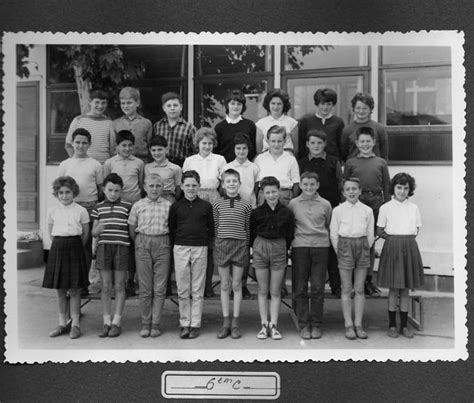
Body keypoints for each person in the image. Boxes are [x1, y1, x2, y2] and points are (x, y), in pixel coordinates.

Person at [376, 173, 425, 338]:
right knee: (393, 289)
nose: (402, 191)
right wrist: (393, 241)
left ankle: (404, 325)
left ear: (409, 190)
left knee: (405, 290)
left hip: (409, 247)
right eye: (399, 187)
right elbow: (380, 230)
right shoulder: (385, 207)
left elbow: (416, 229)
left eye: (406, 188)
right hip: (392, 247)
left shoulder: (414, 208)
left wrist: (405, 241)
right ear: (393, 188)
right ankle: (391, 325)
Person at [344, 126, 391, 295]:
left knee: (369, 243)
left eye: (368, 142)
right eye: (362, 141)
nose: (365, 145)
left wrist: (387, 207)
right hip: (357, 202)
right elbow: (346, 185)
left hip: (376, 203)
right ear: (356, 143)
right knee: (354, 240)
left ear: (374, 142)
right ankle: (353, 281)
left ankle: (368, 280)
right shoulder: (351, 163)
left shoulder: (381, 163)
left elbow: (386, 185)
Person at [169, 170, 214, 339]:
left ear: (199, 186)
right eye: (187, 185)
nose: (190, 188)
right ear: (182, 186)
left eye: (194, 185)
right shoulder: (176, 206)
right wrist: (178, 244)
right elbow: (172, 228)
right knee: (183, 288)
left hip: (200, 247)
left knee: (197, 288)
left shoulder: (206, 206)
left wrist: (205, 244)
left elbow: (211, 228)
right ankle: (184, 323)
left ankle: (195, 323)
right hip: (180, 247)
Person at [43, 176, 89, 339]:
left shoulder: (81, 210)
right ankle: (62, 323)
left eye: (67, 192)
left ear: (74, 192)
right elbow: (50, 234)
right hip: (58, 248)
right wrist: (60, 246)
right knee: (60, 290)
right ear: (56, 194)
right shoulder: (52, 210)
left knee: (75, 289)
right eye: (60, 192)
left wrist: (74, 245)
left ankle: (75, 325)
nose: (64, 195)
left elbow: (85, 235)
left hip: (75, 247)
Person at [57, 128, 103, 294]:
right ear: (72, 143)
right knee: (72, 244)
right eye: (77, 142)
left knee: (86, 246)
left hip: (90, 207)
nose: (81, 145)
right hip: (71, 208)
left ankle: (83, 284)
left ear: (89, 144)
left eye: (84, 143)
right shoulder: (65, 164)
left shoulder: (95, 164)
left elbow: (100, 189)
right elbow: (58, 189)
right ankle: (71, 283)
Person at [298, 129, 342, 297]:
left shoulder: (333, 162)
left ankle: (336, 284)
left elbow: (340, 184)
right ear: (307, 144)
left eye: (319, 143)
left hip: (330, 208)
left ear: (324, 144)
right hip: (308, 210)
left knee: (331, 245)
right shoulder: (301, 163)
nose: (316, 146)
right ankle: (307, 287)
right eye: (312, 143)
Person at [182, 127, 226, 298]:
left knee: (210, 242)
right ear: (197, 144)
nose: (206, 146)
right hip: (195, 196)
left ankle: (207, 285)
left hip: (214, 197)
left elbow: (222, 184)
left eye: (209, 143)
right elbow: (186, 182)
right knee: (195, 239)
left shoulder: (220, 159)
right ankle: (193, 286)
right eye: (203, 143)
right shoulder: (190, 160)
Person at [250, 176, 295, 340]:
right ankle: (264, 324)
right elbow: (252, 233)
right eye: (267, 192)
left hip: (279, 247)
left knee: (275, 290)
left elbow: (290, 234)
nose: (271, 195)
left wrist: (283, 247)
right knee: (262, 289)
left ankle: (274, 325)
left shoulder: (287, 212)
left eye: (274, 191)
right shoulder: (256, 213)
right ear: (262, 193)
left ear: (279, 191)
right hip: (260, 246)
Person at [289, 172, 332, 339]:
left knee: (317, 287)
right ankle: (303, 324)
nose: (309, 187)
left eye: (312, 184)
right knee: (300, 287)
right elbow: (291, 225)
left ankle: (316, 324)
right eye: (305, 184)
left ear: (318, 185)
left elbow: (327, 224)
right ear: (300, 185)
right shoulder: (293, 203)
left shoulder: (325, 204)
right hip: (300, 247)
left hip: (320, 247)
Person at [330, 178, 374, 340]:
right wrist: (340, 250)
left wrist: (365, 248)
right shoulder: (338, 210)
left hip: (362, 245)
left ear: (360, 190)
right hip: (344, 246)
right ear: (343, 192)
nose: (351, 192)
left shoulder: (367, 210)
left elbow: (370, 233)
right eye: (348, 189)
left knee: (360, 288)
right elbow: (334, 233)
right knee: (347, 288)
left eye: (354, 188)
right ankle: (348, 324)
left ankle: (358, 324)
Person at [128, 174, 172, 338]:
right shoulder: (138, 205)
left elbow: (172, 227)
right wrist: (140, 242)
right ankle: (145, 323)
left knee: (160, 288)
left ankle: (156, 323)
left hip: (163, 243)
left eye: (158, 186)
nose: (154, 189)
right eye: (151, 186)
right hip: (143, 243)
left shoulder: (168, 205)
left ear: (162, 188)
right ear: (145, 187)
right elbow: (132, 229)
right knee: (145, 288)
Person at [103, 129, 144, 297]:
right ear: (117, 146)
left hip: (133, 207)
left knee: (133, 243)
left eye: (129, 145)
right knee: (117, 244)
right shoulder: (109, 163)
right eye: (123, 145)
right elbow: (105, 185)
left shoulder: (139, 163)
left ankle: (131, 281)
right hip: (116, 207)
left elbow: (141, 185)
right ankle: (114, 282)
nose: (127, 149)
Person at [212, 169, 252, 339]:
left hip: (240, 245)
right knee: (225, 284)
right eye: (228, 181)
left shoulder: (246, 204)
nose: (231, 184)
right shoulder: (217, 204)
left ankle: (235, 322)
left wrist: (246, 245)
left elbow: (247, 227)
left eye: (234, 181)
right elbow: (215, 225)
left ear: (239, 183)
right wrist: (218, 242)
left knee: (236, 285)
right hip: (222, 245)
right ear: (223, 184)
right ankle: (225, 321)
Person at [91, 173, 132, 338]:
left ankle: (117, 322)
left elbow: (131, 231)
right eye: (110, 190)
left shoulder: (128, 207)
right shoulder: (98, 207)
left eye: (117, 190)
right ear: (103, 189)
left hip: (122, 248)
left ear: (121, 190)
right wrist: (98, 230)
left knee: (120, 285)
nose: (113, 193)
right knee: (106, 285)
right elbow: (94, 232)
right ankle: (106, 321)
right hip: (104, 248)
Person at [222, 132, 260, 299]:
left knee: (244, 248)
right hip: (231, 210)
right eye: (238, 148)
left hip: (248, 209)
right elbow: (222, 188)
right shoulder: (227, 167)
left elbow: (257, 189)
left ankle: (242, 284)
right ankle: (230, 285)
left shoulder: (254, 167)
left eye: (244, 148)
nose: (241, 151)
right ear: (234, 149)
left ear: (248, 150)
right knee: (230, 246)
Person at [65, 88, 114, 164]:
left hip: (103, 166)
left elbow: (112, 148)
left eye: (103, 103)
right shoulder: (78, 120)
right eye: (97, 102)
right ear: (90, 102)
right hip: (82, 167)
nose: (100, 106)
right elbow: (68, 145)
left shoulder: (109, 122)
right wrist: (77, 163)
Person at [254, 125, 300, 207]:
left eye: (279, 141)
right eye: (273, 141)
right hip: (264, 195)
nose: (276, 144)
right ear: (267, 141)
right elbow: (256, 183)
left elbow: (296, 184)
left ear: (284, 141)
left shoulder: (291, 159)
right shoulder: (259, 159)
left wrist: (292, 201)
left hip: (284, 195)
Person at [297, 88, 345, 160]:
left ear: (333, 105)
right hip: (310, 162)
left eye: (328, 104)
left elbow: (340, 145)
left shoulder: (338, 122)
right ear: (317, 104)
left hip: (332, 163)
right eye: (322, 104)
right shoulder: (306, 121)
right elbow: (302, 145)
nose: (325, 107)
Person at [341, 92, 388, 162]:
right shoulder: (347, 130)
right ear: (353, 109)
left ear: (370, 109)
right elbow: (344, 154)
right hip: (354, 170)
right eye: (358, 108)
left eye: (365, 108)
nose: (361, 111)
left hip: (374, 169)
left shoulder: (379, 128)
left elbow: (384, 154)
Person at [152, 92, 196, 167]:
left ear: (181, 107)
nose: (172, 108)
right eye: (169, 106)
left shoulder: (189, 128)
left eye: (175, 105)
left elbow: (195, 152)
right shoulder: (157, 126)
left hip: (182, 165)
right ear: (164, 108)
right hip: (161, 165)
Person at [111, 87, 153, 163]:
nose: (125, 106)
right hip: (121, 162)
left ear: (137, 103)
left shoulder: (146, 123)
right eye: (123, 103)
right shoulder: (115, 123)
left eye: (129, 103)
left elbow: (150, 147)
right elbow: (113, 147)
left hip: (142, 161)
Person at [214, 89, 257, 163]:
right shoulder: (219, 127)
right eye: (232, 103)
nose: (235, 106)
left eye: (239, 104)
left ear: (243, 106)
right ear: (227, 105)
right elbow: (216, 151)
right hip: (225, 168)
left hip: (245, 167)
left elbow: (253, 150)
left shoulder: (250, 125)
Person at [256, 88, 298, 155]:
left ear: (284, 105)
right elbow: (259, 149)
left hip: (287, 157)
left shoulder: (292, 123)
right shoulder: (261, 123)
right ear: (268, 104)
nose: (276, 107)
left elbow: (296, 148)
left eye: (279, 104)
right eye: (273, 103)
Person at [145, 135, 182, 203]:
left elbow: (178, 189)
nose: (156, 153)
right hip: (150, 200)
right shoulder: (147, 167)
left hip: (168, 200)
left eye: (160, 149)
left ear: (167, 149)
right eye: (153, 150)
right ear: (150, 151)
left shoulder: (175, 168)